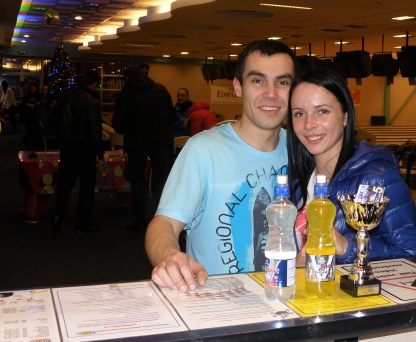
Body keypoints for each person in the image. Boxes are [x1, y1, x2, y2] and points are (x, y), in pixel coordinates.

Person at [146, 40, 295, 291]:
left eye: (282, 82)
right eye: (258, 80)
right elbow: (165, 224)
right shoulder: (203, 150)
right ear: (238, 86)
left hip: (288, 298)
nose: (271, 93)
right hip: (219, 303)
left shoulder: (302, 151)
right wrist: (168, 256)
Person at [287, 69, 416, 265]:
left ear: (345, 116)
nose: (309, 124)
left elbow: (412, 254)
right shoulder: (297, 180)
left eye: (322, 111)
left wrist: (347, 247)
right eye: (299, 113)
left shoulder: (378, 178)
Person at [112, 64, 175, 232]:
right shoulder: (161, 89)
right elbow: (172, 116)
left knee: (137, 181)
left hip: (136, 143)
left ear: (127, 78)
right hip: (161, 141)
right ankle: (163, 219)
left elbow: (118, 124)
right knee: (162, 181)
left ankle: (140, 220)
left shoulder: (125, 94)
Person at [49, 71, 103, 234]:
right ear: (94, 84)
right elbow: (95, 131)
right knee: (86, 189)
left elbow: (52, 121)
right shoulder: (92, 102)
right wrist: (99, 153)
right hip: (85, 151)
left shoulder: (64, 98)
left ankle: (57, 219)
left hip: (67, 149)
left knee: (64, 187)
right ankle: (82, 224)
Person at [19, 83, 42, 149]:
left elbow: (39, 105)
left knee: (36, 130)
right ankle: (30, 145)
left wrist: (33, 105)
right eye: (31, 87)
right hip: (28, 116)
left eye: (34, 87)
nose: (32, 88)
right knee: (29, 131)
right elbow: (23, 105)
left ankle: (35, 144)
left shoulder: (38, 96)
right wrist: (32, 105)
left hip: (36, 116)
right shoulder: (26, 96)